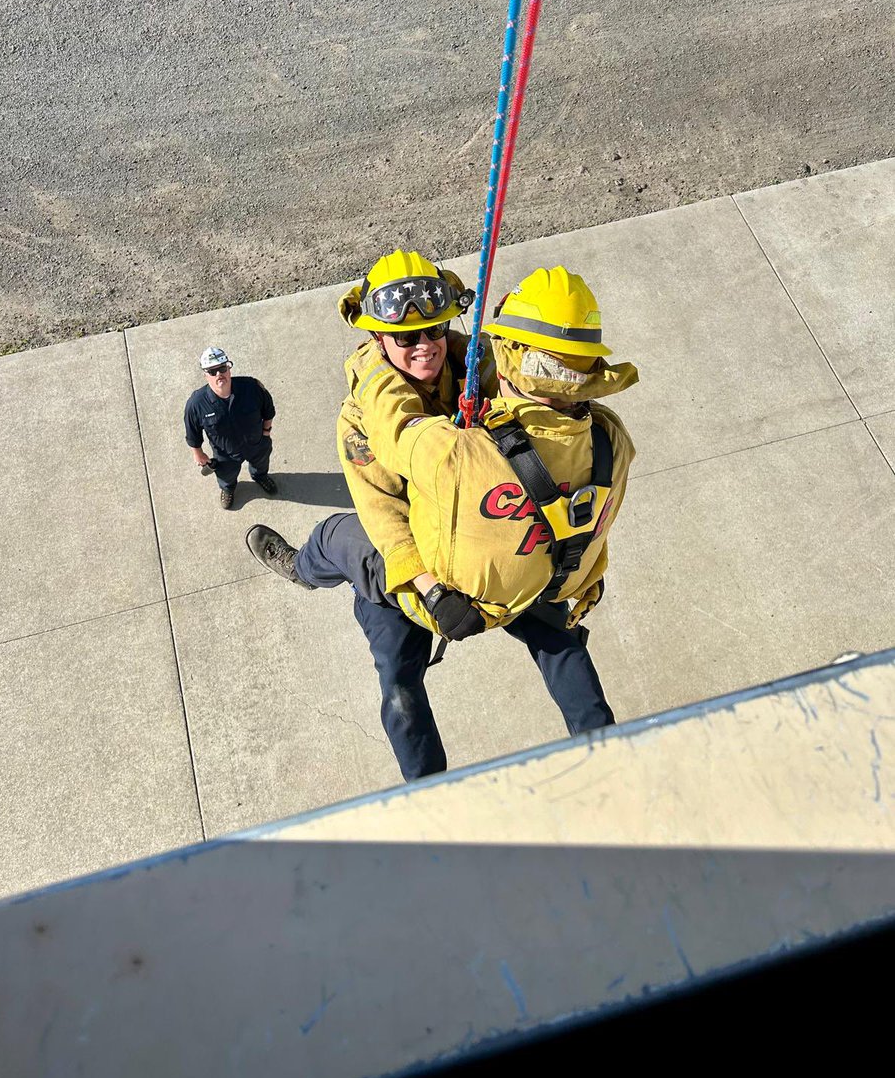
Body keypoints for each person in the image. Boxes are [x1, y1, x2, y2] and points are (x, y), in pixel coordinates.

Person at [247, 260, 637, 781]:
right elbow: (383, 514)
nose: (423, 344)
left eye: (432, 328)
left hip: (482, 543)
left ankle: (606, 762)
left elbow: (540, 408)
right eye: (404, 337)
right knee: (399, 681)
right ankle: (432, 797)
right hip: (422, 551)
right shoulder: (361, 420)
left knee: (561, 642)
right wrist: (430, 587)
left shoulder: (483, 374)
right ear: (379, 340)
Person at [184, 346, 278, 510]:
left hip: (257, 443)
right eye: (213, 371)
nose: (219, 374)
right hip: (225, 454)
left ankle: (260, 476)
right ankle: (228, 489)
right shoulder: (196, 404)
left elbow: (268, 409)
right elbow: (192, 432)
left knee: (261, 464)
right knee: (226, 476)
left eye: (222, 368)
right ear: (206, 375)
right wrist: (197, 453)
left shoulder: (252, 387)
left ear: (229, 368)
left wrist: (266, 432)